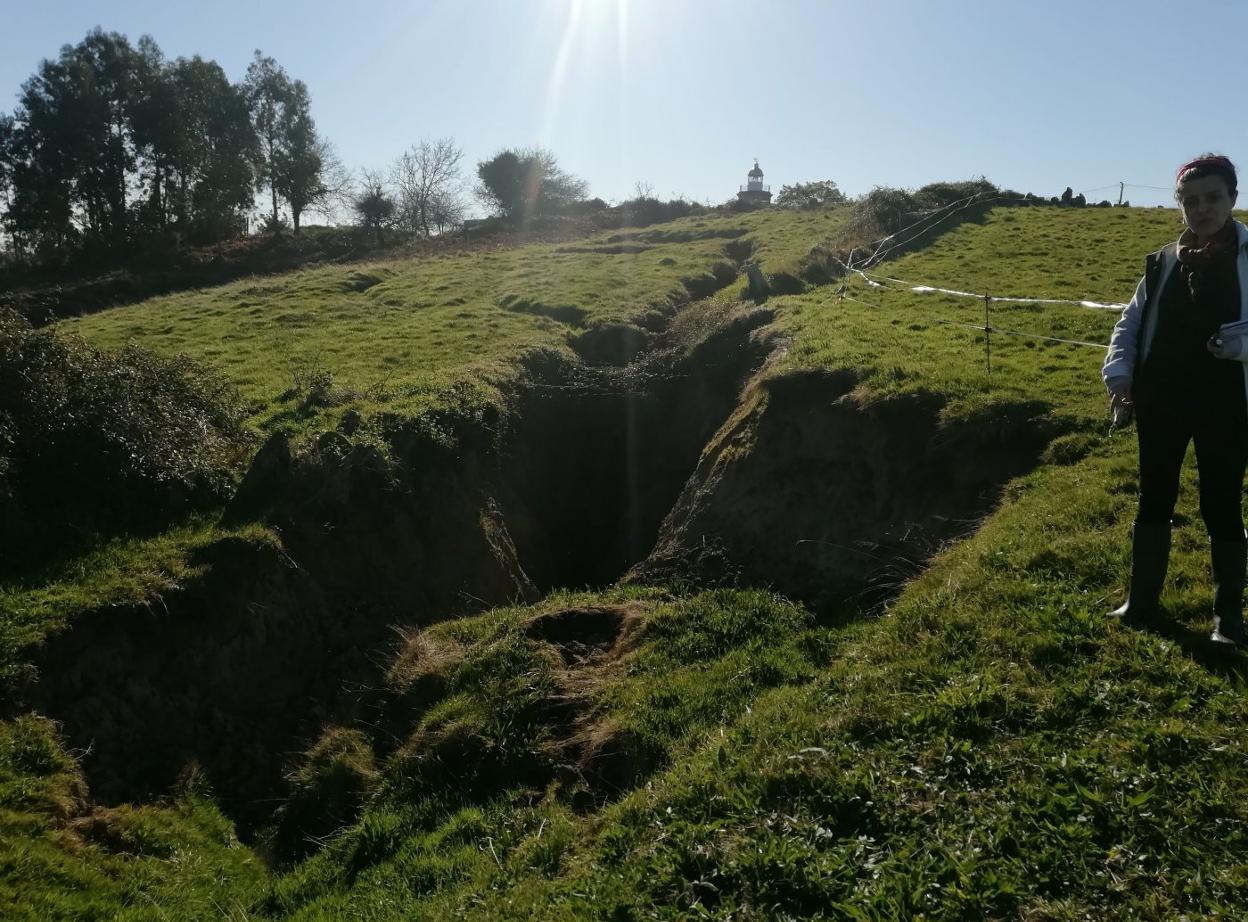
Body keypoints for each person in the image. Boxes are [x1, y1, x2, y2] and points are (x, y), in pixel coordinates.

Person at [1103, 153, 1248, 644]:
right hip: (1162, 398)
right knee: (1154, 498)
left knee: (1222, 504)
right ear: (1180, 205)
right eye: (1190, 200)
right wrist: (1120, 374)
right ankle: (1140, 602)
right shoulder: (1163, 261)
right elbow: (1131, 321)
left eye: (1212, 198)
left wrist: (1240, 346)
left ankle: (1228, 619)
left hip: (1227, 402)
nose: (1201, 208)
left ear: (1233, 198)